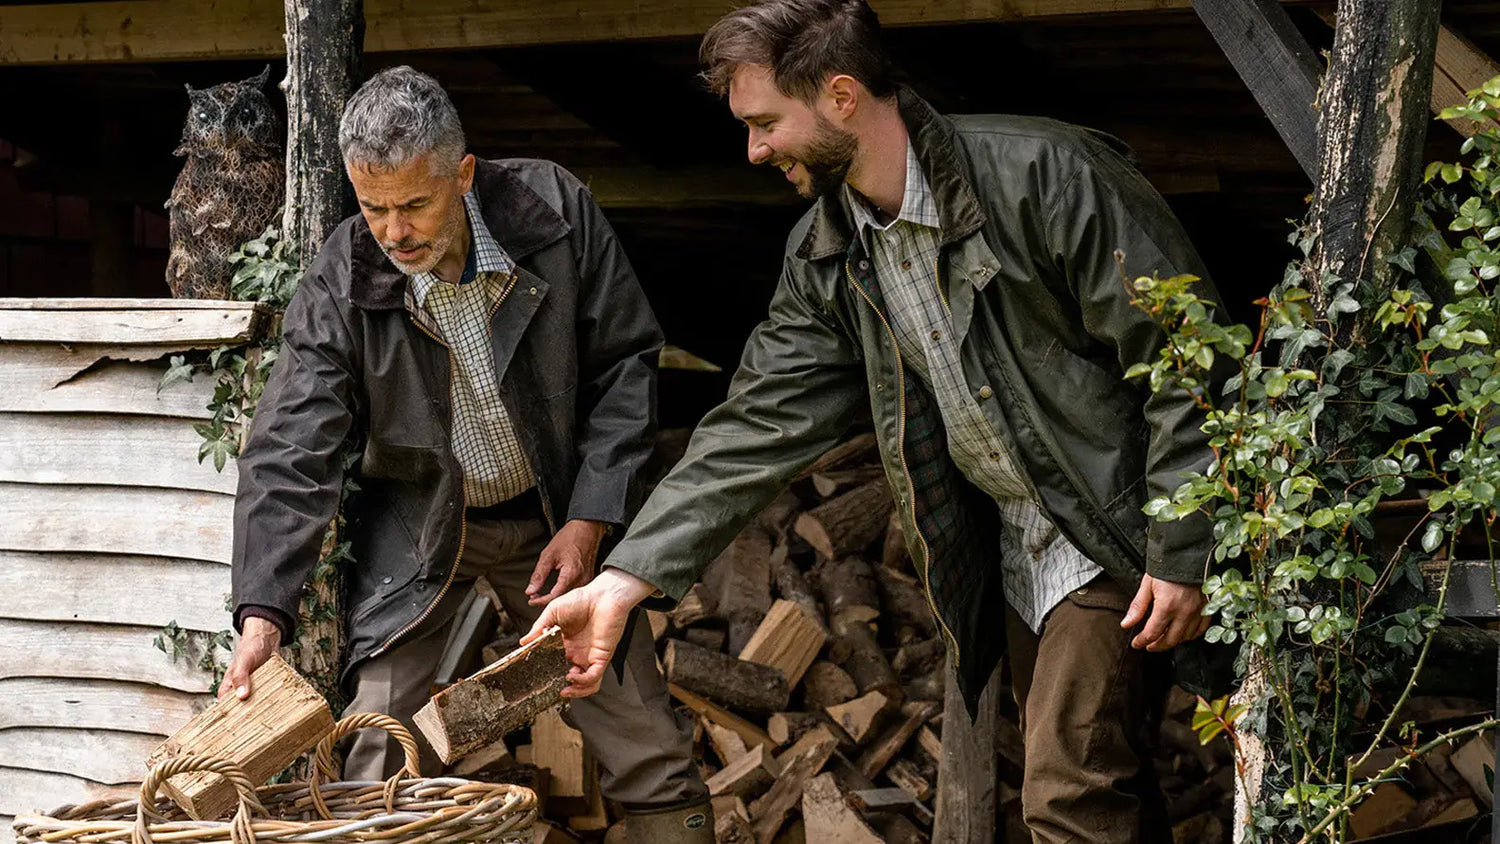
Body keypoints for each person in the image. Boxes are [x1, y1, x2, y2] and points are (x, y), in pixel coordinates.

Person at [526, 2, 1226, 840]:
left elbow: (1191, 361)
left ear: (843, 96)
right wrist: (624, 580)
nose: (753, 151)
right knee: (1107, 782)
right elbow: (755, 426)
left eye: (766, 123)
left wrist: (1183, 550)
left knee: (1070, 796)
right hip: (1018, 548)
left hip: (1115, 524)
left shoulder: (1047, 174)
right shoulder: (828, 253)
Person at [224, 66, 713, 841]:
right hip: (423, 538)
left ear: (463, 174)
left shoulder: (553, 213)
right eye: (373, 206)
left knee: (645, 739)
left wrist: (590, 518)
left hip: (557, 520)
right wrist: (261, 613)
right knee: (375, 745)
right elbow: (289, 448)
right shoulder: (344, 276)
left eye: (415, 204)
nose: (394, 232)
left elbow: (626, 366)